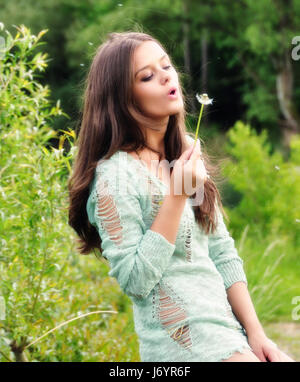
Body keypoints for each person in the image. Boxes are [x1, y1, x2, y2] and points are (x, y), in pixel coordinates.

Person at [68, 31, 295, 362]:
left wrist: (257, 335)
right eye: (147, 76)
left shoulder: (185, 151)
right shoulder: (114, 177)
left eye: (166, 66)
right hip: (180, 346)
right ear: (122, 98)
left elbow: (221, 252)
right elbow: (135, 280)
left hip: (228, 334)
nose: (165, 76)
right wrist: (176, 194)